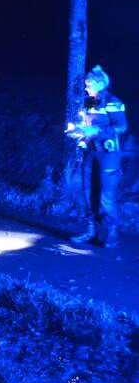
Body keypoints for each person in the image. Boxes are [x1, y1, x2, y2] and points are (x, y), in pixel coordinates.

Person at [69, 65, 128, 249]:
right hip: (91, 153)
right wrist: (81, 138)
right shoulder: (90, 101)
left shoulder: (112, 101)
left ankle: (112, 235)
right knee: (88, 193)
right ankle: (90, 231)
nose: (86, 87)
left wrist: (97, 130)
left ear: (99, 84)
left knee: (106, 195)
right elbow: (88, 125)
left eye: (88, 84)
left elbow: (121, 127)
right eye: (85, 84)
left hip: (108, 155)